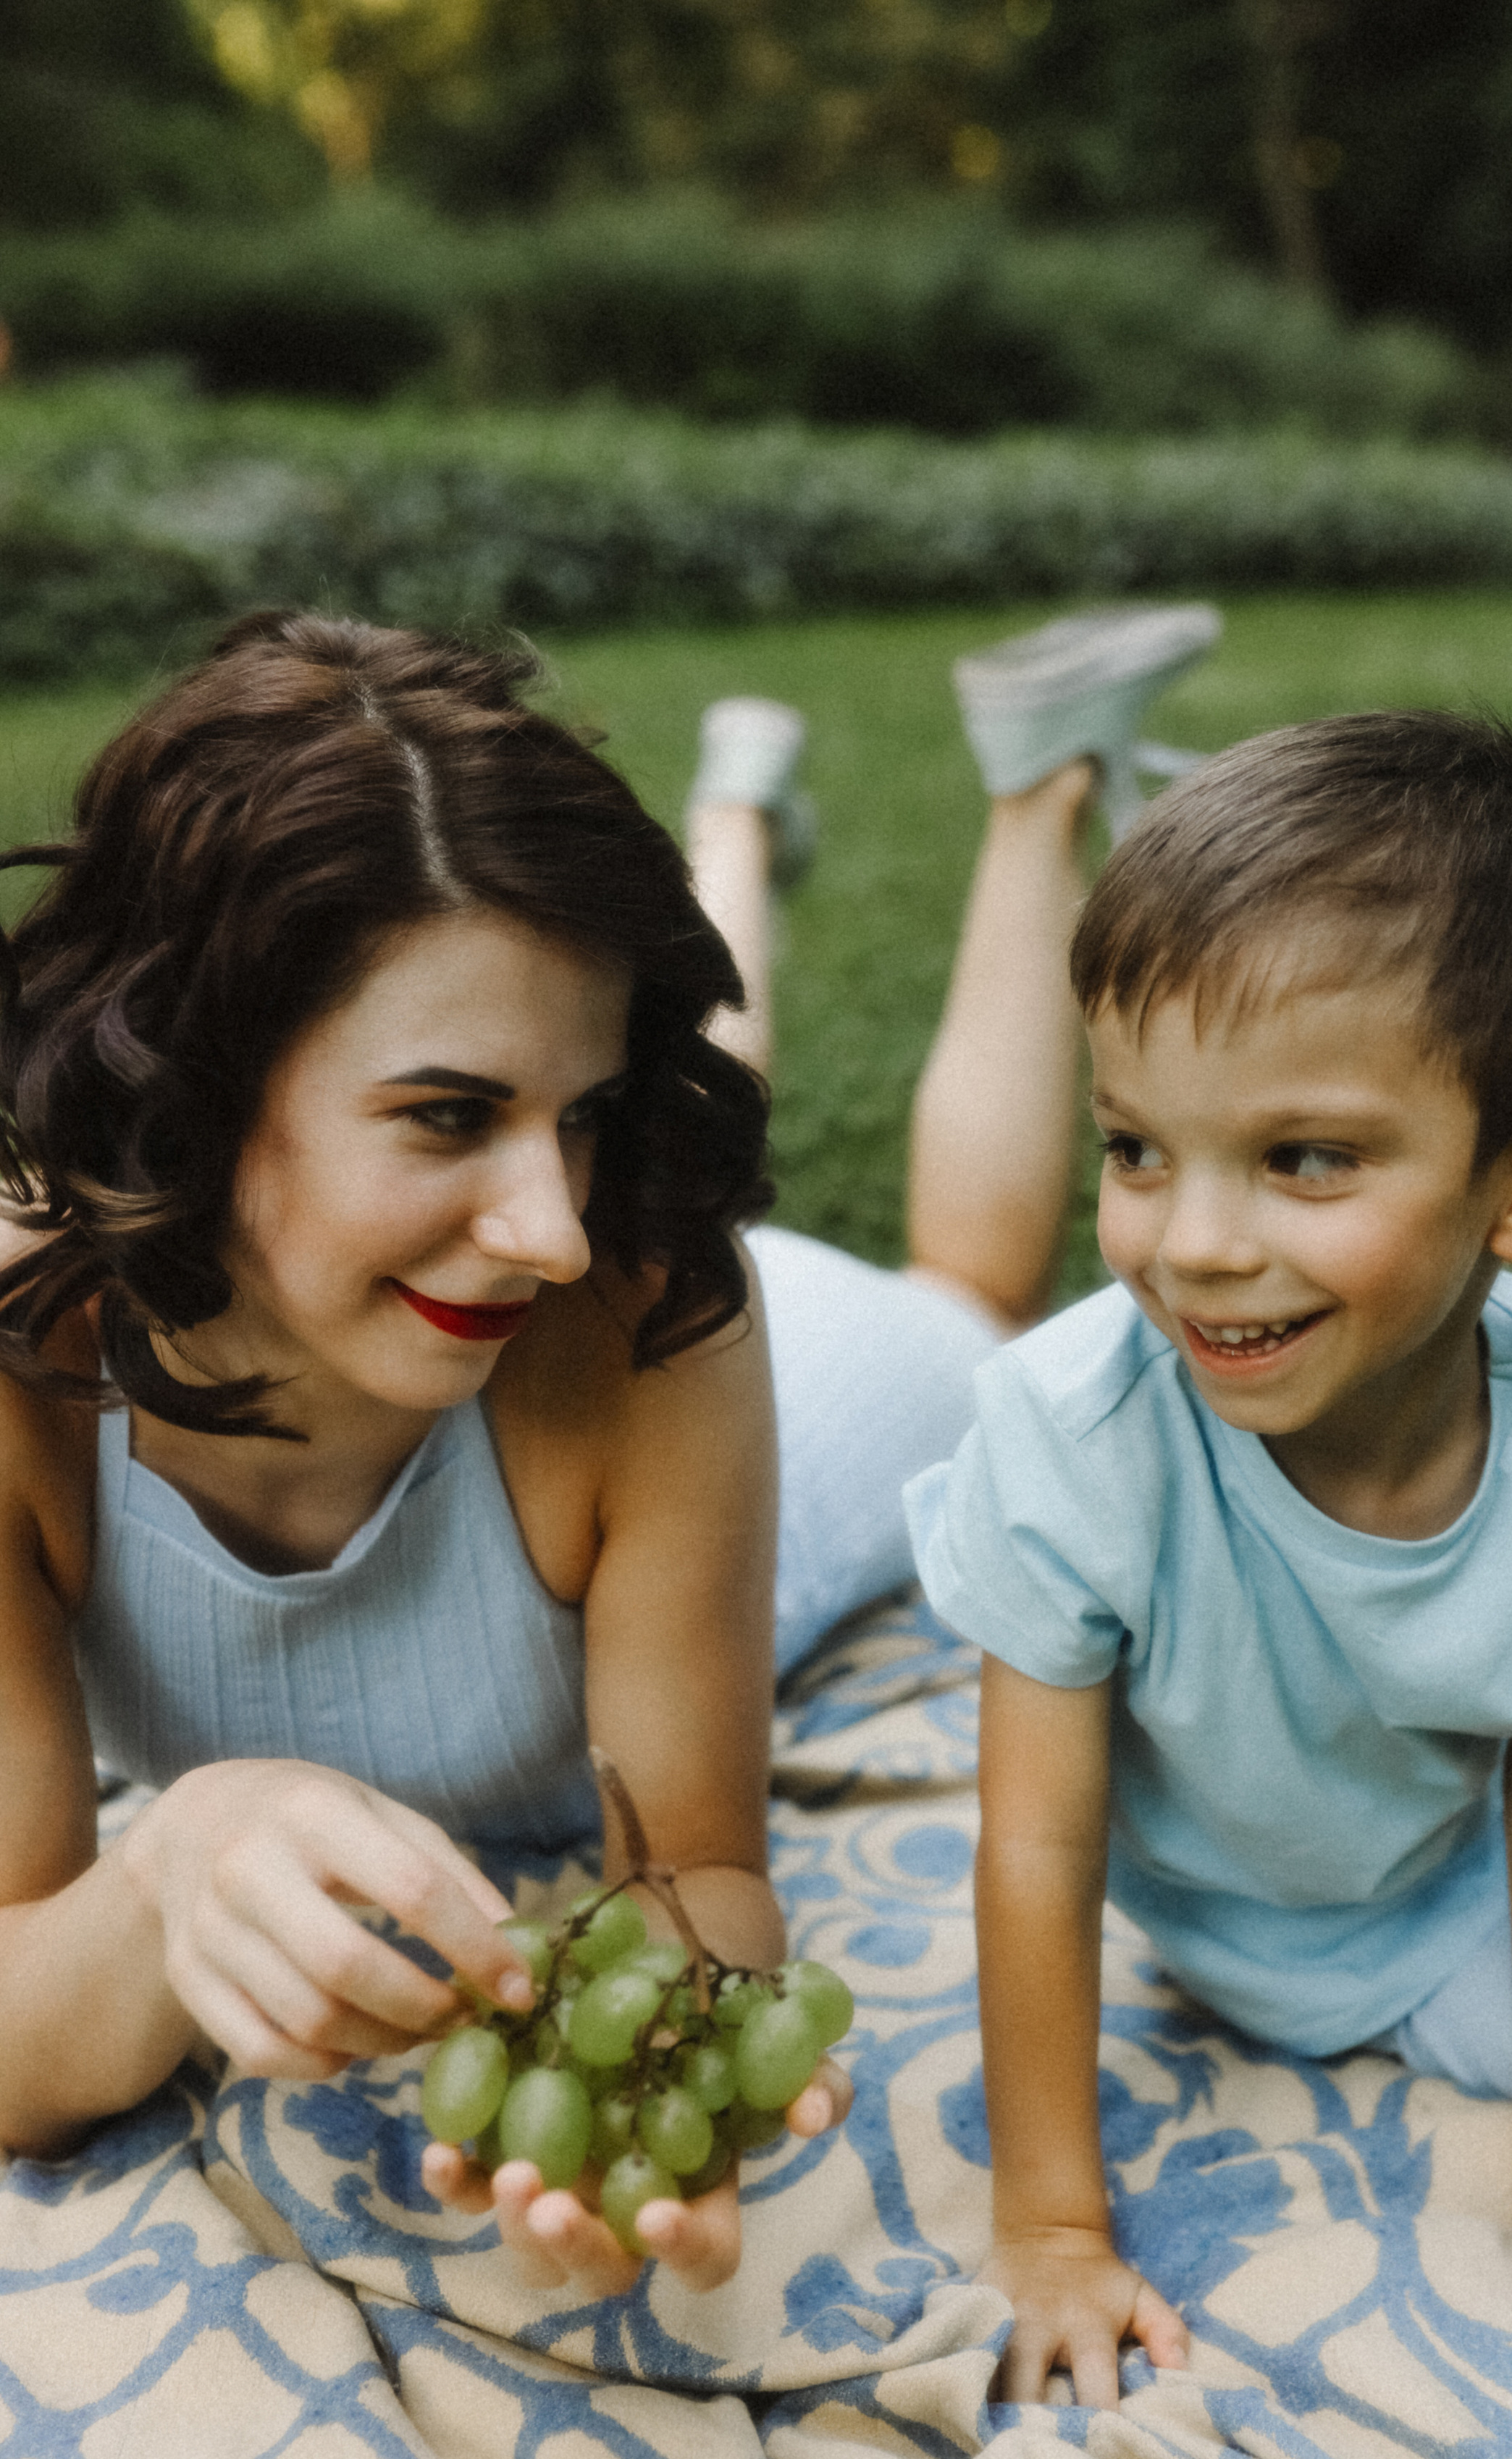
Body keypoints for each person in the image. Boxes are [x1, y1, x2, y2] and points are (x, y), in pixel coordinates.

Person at [0, 599, 1216, 2302]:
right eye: (446, 1113)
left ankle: (1033, 796)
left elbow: (698, 1877)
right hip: (469, 1316)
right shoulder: (18, 1368)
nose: (551, 1221)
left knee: (965, 1299)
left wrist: (664, 2099)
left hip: (793, 1396)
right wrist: (166, 1873)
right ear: (184, 1070)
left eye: (576, 1119)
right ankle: (732, 826)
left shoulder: (637, 1306)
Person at [905, 708, 1512, 2408]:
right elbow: (1035, 1848)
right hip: (1264, 1900)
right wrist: (1049, 2222)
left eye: (1301, 1160)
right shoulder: (1070, 1435)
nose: (1191, 1245)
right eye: (1133, 1149)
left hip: (1454, 1884)